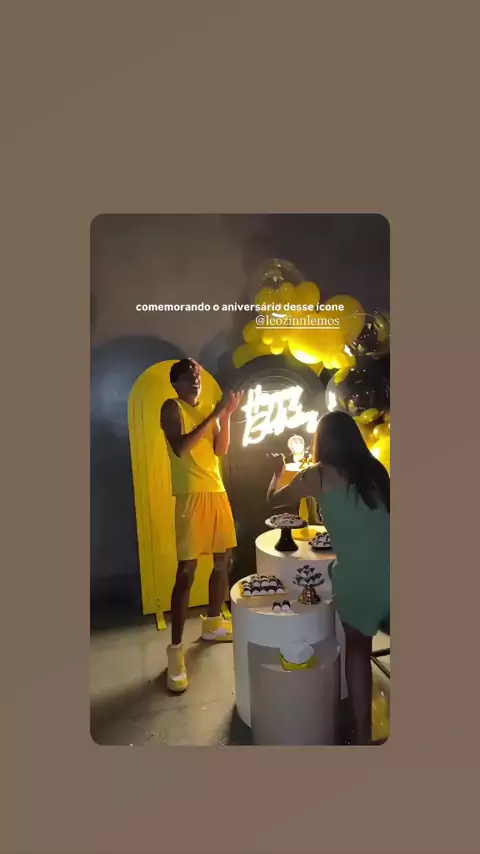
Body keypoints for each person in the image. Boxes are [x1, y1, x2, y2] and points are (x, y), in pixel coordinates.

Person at [266, 410, 390, 745]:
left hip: (358, 580)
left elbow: (273, 500)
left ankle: (362, 734)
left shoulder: (318, 474)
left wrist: (278, 472)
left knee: (358, 647)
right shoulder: (377, 471)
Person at [161, 358, 242, 693]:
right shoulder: (172, 407)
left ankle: (212, 624)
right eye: (188, 377)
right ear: (176, 383)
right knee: (187, 571)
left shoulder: (210, 407)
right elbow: (181, 448)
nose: (195, 381)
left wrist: (227, 415)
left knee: (224, 561)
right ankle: (175, 650)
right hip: (191, 496)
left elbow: (220, 450)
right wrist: (214, 415)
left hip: (216, 491)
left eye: (197, 376)